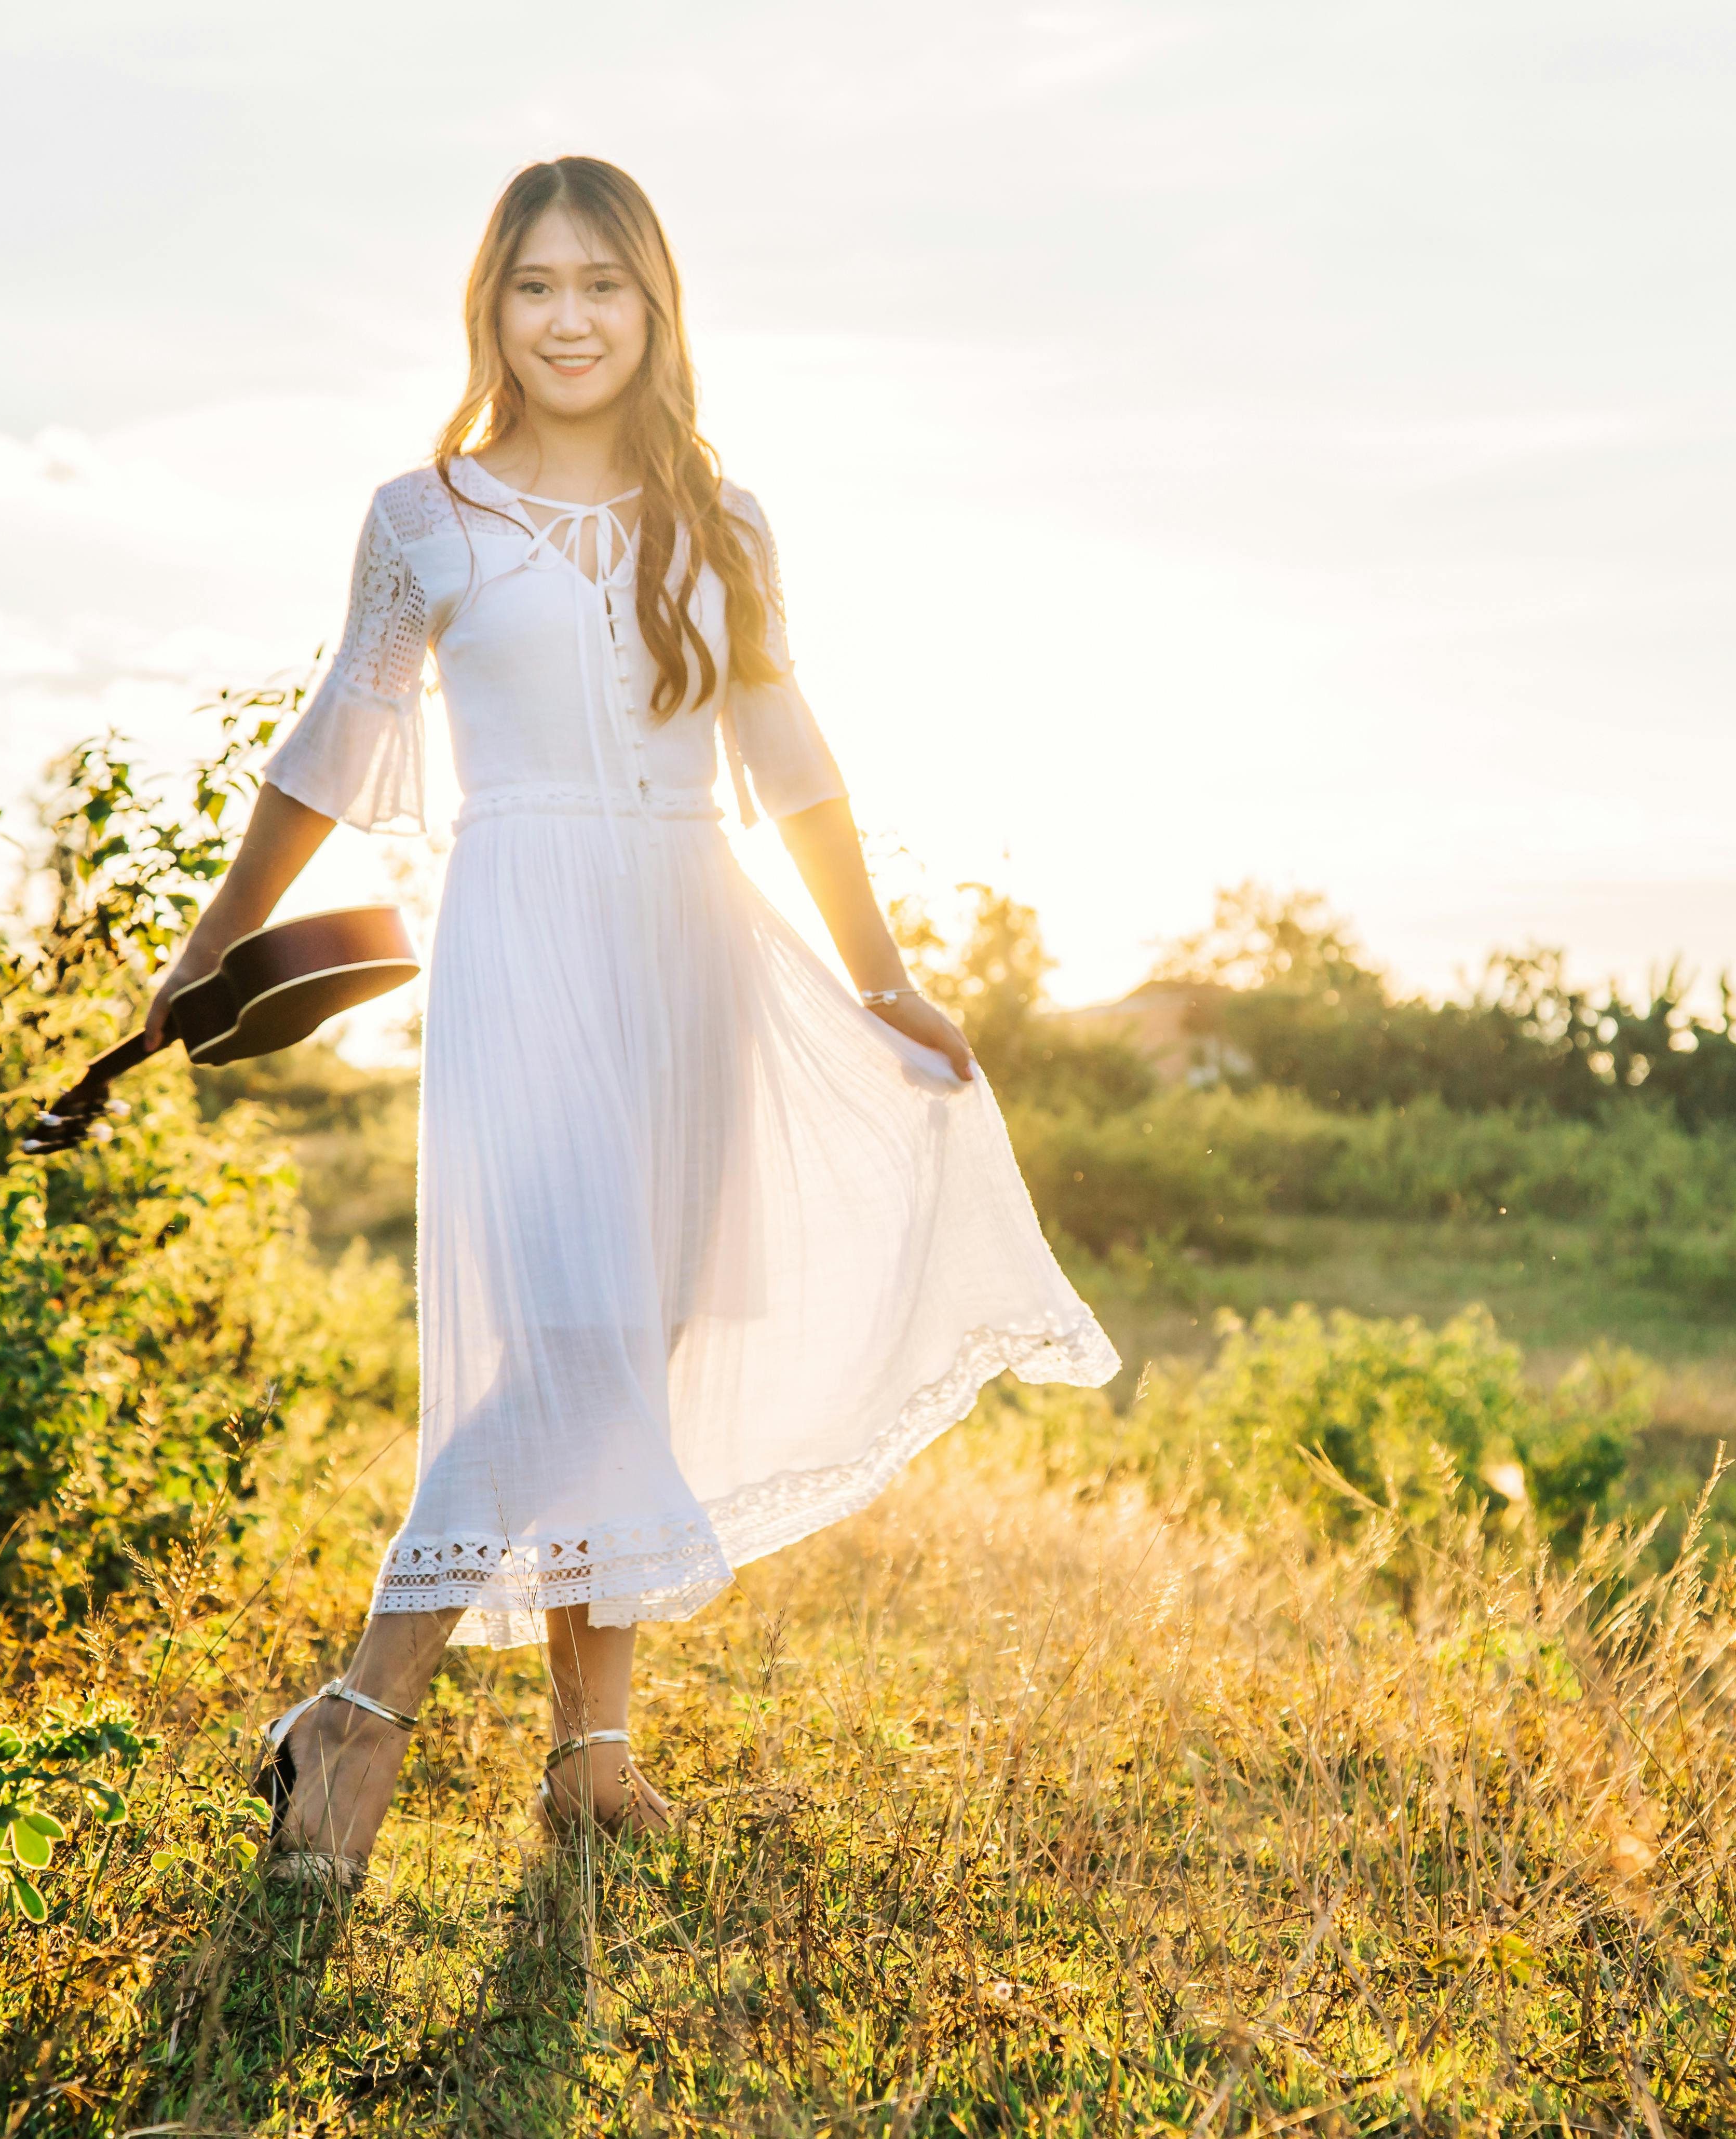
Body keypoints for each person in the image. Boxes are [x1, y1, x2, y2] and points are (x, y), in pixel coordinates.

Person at [145, 156, 1115, 1882]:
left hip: (693, 938)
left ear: (656, 308)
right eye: (537, 285)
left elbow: (788, 753)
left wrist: (881, 969)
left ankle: (593, 1755)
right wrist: (215, 941)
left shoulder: (724, 523)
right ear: (491, 310)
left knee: (635, 1342)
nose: (570, 317)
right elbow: (335, 743)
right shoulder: (425, 517)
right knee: (574, 1335)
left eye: (603, 284)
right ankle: (357, 1715)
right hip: (522, 931)